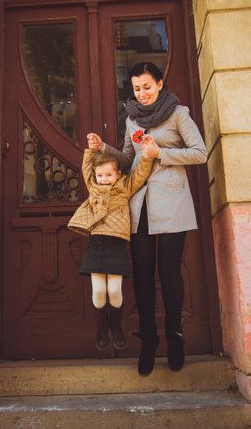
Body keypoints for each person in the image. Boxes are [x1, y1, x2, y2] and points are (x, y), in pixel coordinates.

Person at [87, 62, 207, 375]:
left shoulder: (179, 113)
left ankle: (175, 339)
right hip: (139, 206)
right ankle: (149, 342)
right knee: (141, 275)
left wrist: (161, 154)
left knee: (169, 275)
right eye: (137, 88)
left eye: (147, 87)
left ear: (160, 83)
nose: (142, 93)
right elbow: (128, 160)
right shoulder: (132, 119)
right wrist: (105, 148)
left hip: (172, 204)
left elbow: (199, 153)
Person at [68, 139, 154, 351]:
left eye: (108, 175)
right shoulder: (93, 188)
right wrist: (91, 149)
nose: (103, 179)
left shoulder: (125, 188)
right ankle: (101, 328)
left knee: (114, 290)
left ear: (118, 175)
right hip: (97, 243)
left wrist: (147, 154)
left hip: (117, 243)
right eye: (100, 175)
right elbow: (86, 167)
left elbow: (141, 173)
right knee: (98, 291)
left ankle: (116, 327)